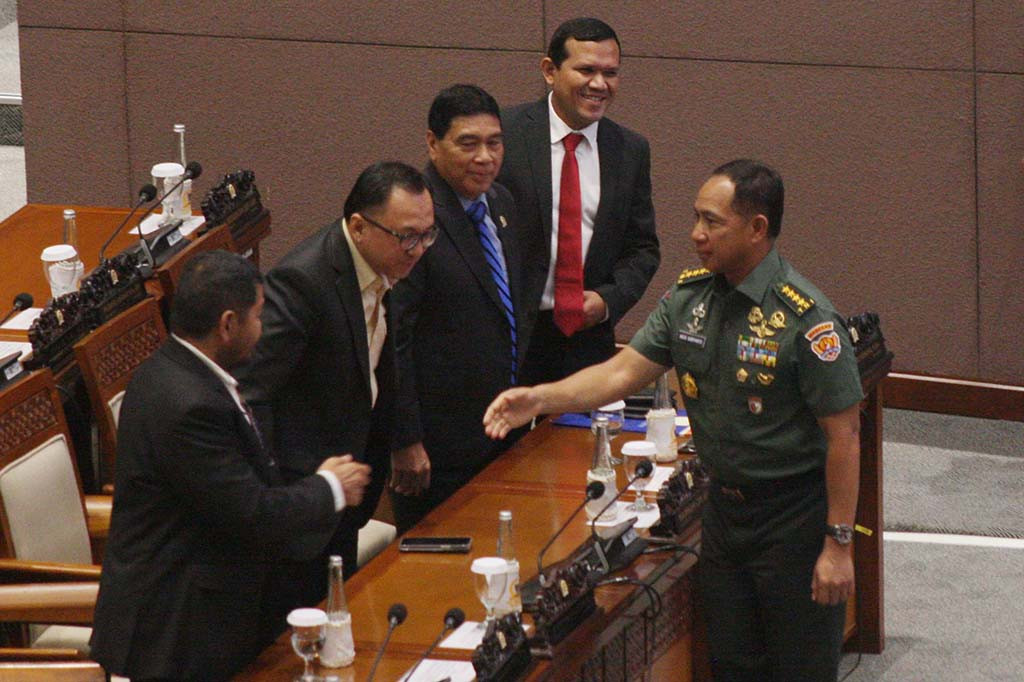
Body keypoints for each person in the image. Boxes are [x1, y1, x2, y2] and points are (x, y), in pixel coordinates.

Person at [485, 160, 864, 681]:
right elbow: (621, 373)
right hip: (724, 517)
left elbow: (844, 437)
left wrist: (838, 546)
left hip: (793, 518)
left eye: (712, 222)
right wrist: (540, 399)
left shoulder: (807, 319)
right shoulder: (689, 300)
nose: (697, 235)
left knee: (798, 669)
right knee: (731, 664)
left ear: (757, 229)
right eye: (696, 218)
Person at [90, 251, 371, 682]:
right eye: (258, 316)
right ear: (226, 325)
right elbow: (251, 513)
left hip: (205, 611)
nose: (263, 330)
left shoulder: (178, 372)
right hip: (177, 634)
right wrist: (330, 487)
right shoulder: (189, 406)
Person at [234, 161, 435, 596]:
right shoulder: (303, 283)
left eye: (427, 235)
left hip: (348, 486)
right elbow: (252, 394)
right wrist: (285, 494)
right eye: (408, 237)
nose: (419, 249)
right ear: (360, 227)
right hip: (304, 499)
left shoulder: (388, 268)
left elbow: (382, 362)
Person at [388, 84, 526, 533]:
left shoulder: (501, 203)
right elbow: (394, 338)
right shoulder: (414, 217)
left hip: (503, 433)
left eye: (494, 143)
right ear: (432, 143)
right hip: (439, 449)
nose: (485, 157)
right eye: (468, 144)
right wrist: (405, 439)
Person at [498, 16, 659, 384]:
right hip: (508, 337)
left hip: (586, 343)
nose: (599, 84)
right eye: (586, 70)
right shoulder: (503, 135)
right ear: (550, 71)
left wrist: (607, 302)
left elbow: (643, 250)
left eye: (611, 73)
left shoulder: (630, 150)